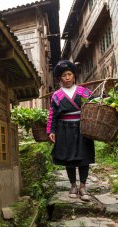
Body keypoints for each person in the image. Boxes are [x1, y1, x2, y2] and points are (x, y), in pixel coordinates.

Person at [46, 60, 95, 201]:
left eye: (69, 74)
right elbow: (52, 115)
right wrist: (51, 131)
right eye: (63, 75)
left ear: (74, 76)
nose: (67, 77)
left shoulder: (85, 92)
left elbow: (95, 106)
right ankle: (73, 185)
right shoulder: (56, 95)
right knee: (69, 159)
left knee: (83, 158)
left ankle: (83, 187)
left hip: (82, 128)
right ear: (59, 78)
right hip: (64, 129)